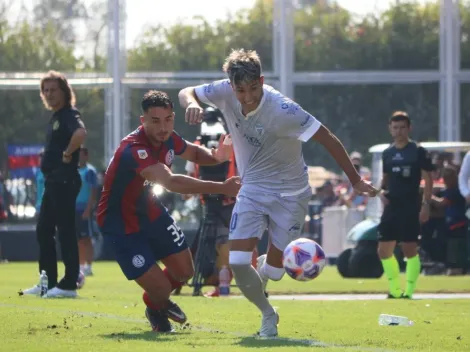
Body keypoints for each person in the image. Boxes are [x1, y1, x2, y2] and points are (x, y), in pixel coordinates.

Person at [178, 48, 378, 337]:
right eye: (240, 90)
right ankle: (268, 315)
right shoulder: (223, 91)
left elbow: (329, 140)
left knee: (274, 272)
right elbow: (188, 91)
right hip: (253, 188)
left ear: (261, 80)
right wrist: (191, 104)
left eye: (253, 88)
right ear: (231, 85)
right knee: (236, 262)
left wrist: (356, 179)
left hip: (291, 193)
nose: (246, 97)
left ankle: (267, 269)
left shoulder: (285, 110)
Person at [97, 90, 240, 332]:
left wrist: (216, 156)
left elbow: (194, 153)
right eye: (155, 121)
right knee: (162, 288)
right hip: (121, 224)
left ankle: (157, 302)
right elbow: (171, 182)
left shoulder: (168, 137)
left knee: (186, 270)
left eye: (168, 119)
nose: (163, 127)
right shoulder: (134, 150)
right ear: (143, 121)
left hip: (150, 211)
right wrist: (222, 187)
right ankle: (157, 305)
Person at [22, 70, 87, 298]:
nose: (48, 94)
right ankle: (47, 283)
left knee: (65, 231)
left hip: (64, 180)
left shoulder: (68, 114)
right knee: (44, 230)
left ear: (64, 92)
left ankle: (69, 284)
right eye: (45, 90)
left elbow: (80, 133)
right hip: (54, 181)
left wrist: (68, 153)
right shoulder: (56, 117)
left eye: (53, 90)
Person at [378, 111, 434, 299]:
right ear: (390, 129)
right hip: (392, 206)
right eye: (395, 127)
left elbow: (428, 179)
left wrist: (426, 204)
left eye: (402, 127)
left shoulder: (418, 151)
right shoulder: (387, 153)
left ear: (409, 128)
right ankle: (394, 290)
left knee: (410, 249)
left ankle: (408, 291)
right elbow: (384, 180)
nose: (399, 131)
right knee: (383, 250)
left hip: (411, 206)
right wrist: (379, 193)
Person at [432, 165, 469, 275]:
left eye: (448, 177)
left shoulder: (457, 190)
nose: (446, 180)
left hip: (458, 224)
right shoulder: (448, 190)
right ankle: (449, 265)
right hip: (449, 224)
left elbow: (442, 203)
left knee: (456, 247)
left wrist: (429, 196)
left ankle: (457, 267)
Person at [76, 147, 98, 276]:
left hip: (84, 209)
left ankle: (89, 266)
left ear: (86, 156)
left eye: (81, 155)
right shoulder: (74, 170)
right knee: (78, 239)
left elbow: (93, 192)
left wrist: (88, 210)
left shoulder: (90, 171)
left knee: (87, 238)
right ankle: (81, 265)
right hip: (74, 209)